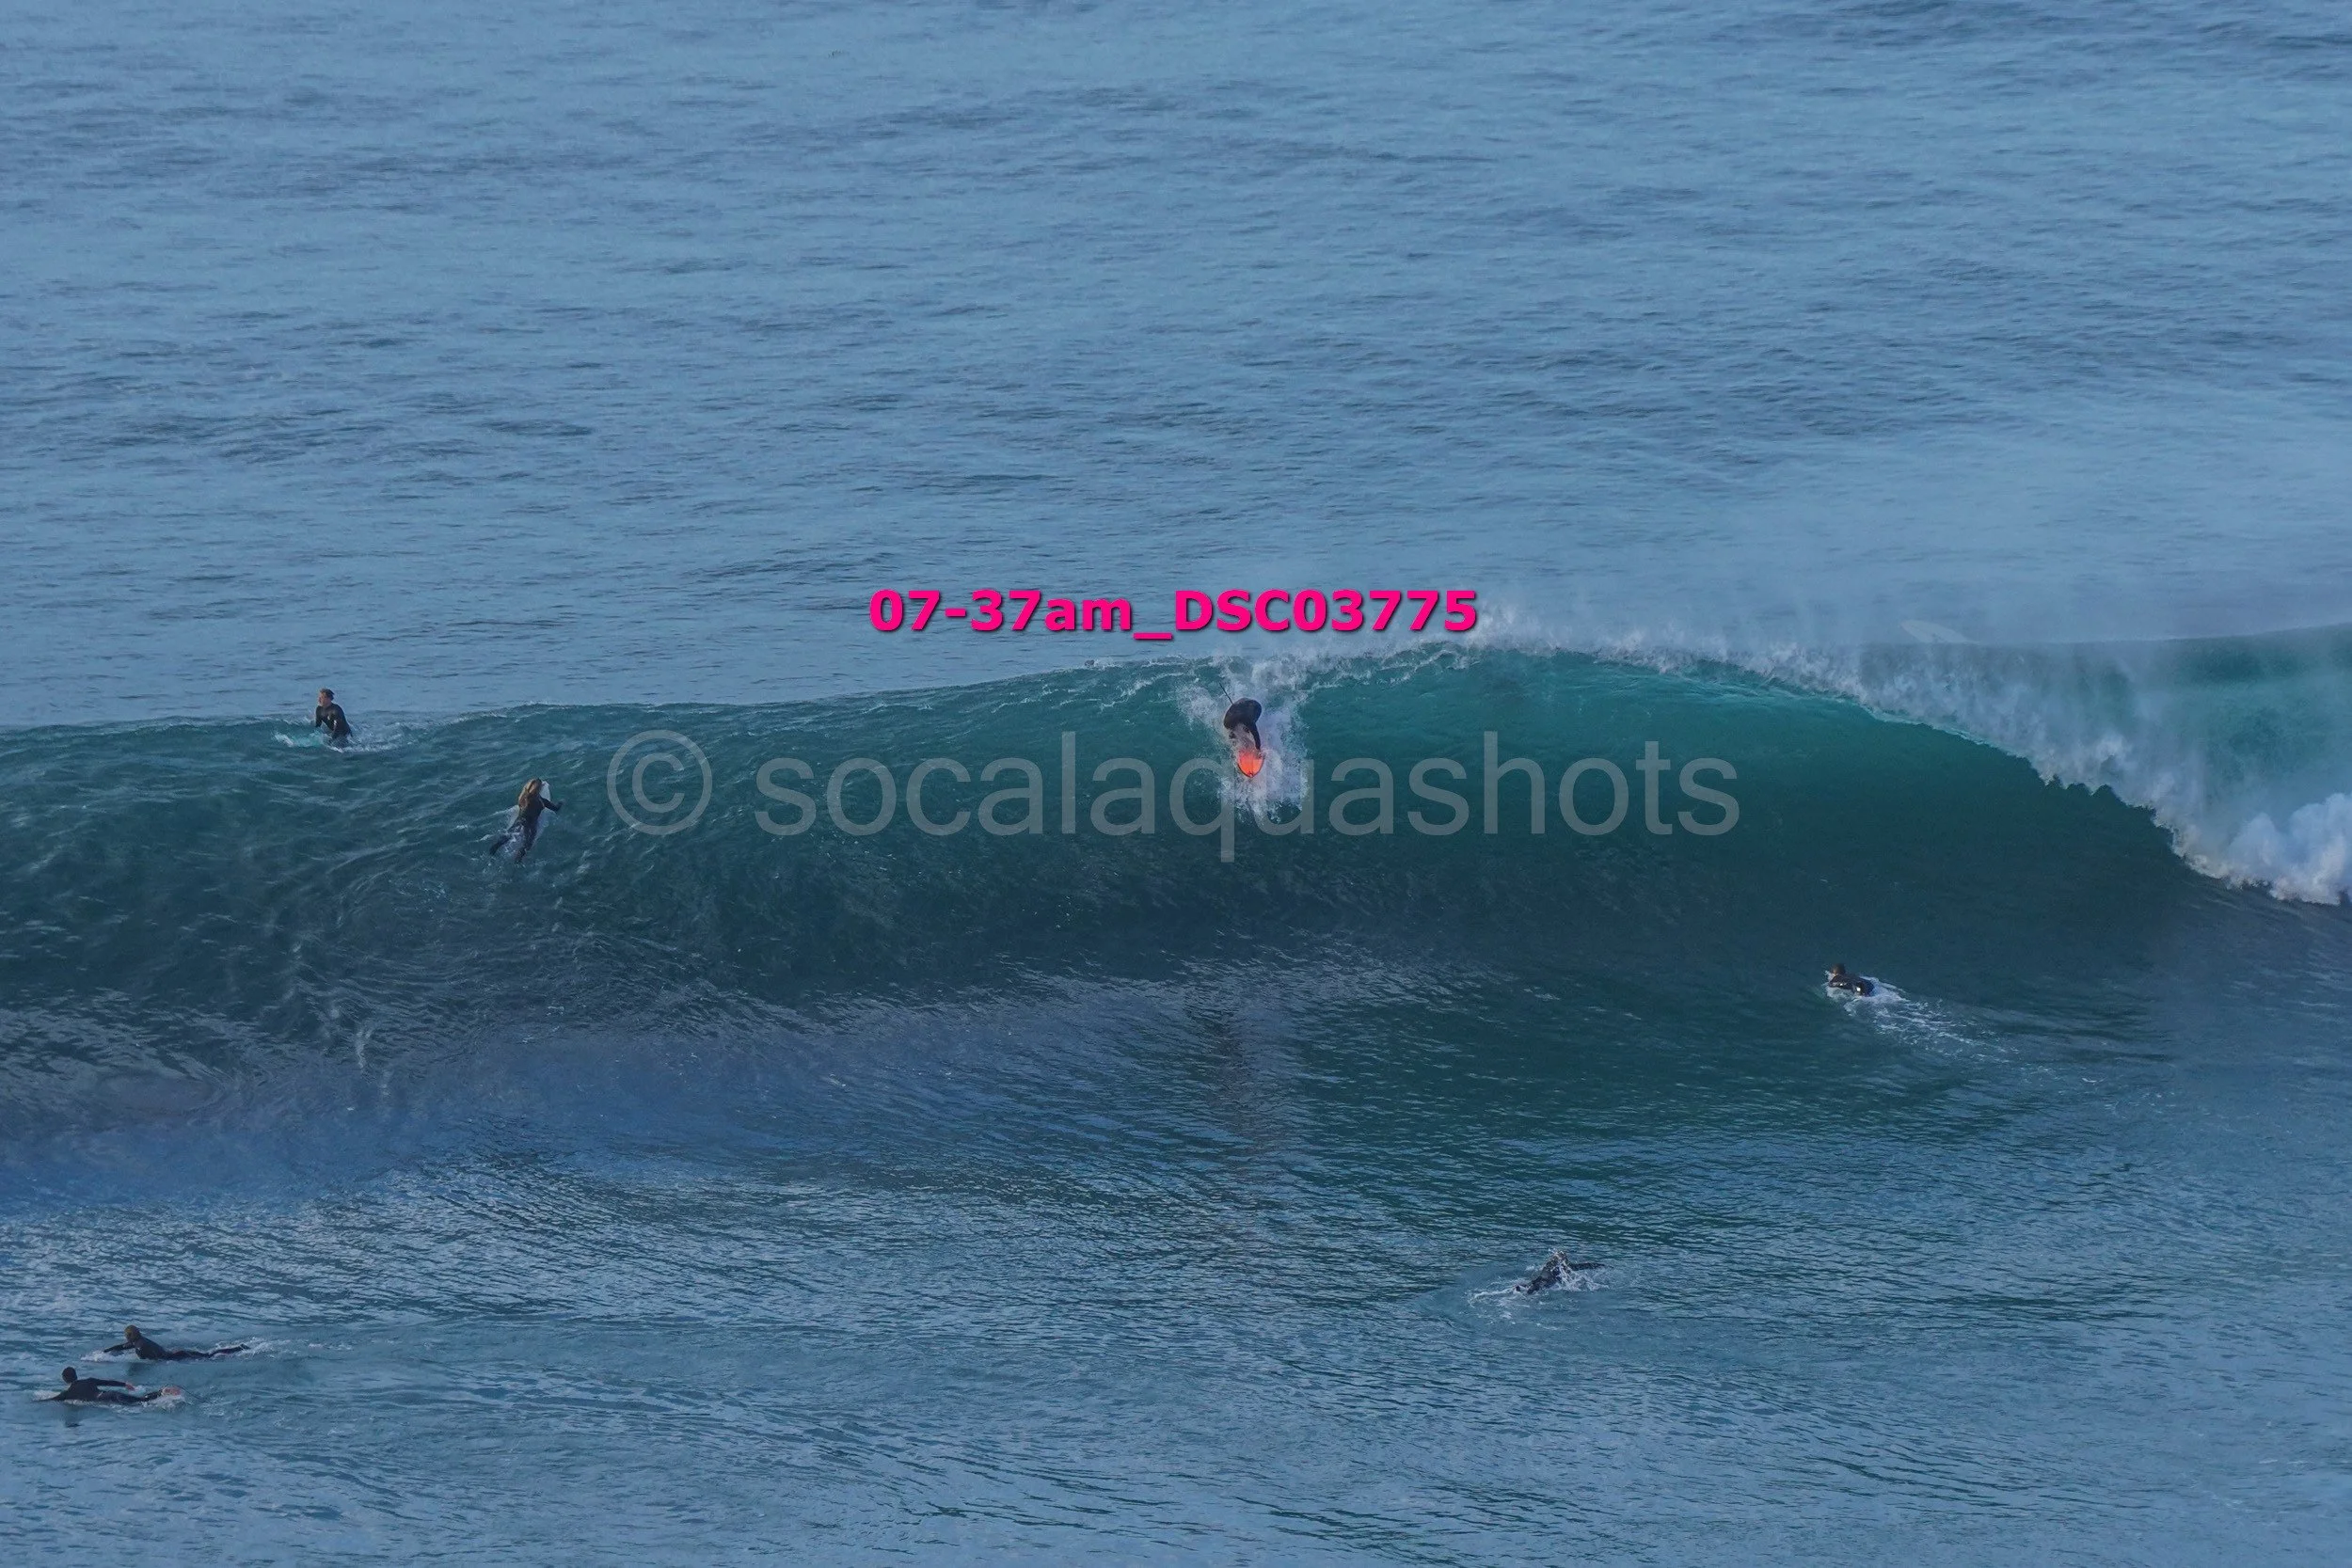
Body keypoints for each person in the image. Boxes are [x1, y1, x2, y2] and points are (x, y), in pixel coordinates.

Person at [490, 778, 563, 861]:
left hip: (520, 821)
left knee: (508, 836)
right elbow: (556, 808)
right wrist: (561, 802)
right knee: (527, 844)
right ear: (539, 789)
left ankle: (494, 848)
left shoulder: (523, 798)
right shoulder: (542, 801)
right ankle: (517, 860)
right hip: (531, 825)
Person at [103, 1324, 245, 1361]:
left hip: (177, 1357)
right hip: (176, 1353)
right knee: (209, 1355)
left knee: (210, 1357)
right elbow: (122, 1347)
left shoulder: (140, 1347)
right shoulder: (139, 1341)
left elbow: (153, 1360)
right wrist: (106, 1352)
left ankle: (238, 1349)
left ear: (129, 1336)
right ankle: (238, 1348)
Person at [50, 1368, 165, 1404]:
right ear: (76, 1375)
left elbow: (51, 1400)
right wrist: (125, 1384)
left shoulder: (67, 1394)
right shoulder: (89, 1380)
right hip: (112, 1394)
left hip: (108, 1399)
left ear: (64, 1379)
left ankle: (162, 1393)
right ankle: (161, 1392)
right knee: (141, 1400)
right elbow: (108, 1382)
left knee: (140, 1404)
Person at [1222, 698, 1264, 776]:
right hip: (1240, 704)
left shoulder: (1247, 719)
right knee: (1235, 733)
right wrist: (1236, 746)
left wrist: (1258, 749)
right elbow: (1231, 735)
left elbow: (1255, 734)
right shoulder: (1227, 723)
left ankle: (1247, 730)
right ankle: (1245, 731)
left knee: (1249, 728)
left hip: (1255, 706)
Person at [1514, 1250, 1583, 1294]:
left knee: (1529, 1286)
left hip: (1539, 1280)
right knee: (1534, 1288)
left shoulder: (1547, 1266)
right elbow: (1578, 1267)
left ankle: (1519, 1289)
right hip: (1544, 1282)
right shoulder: (1564, 1266)